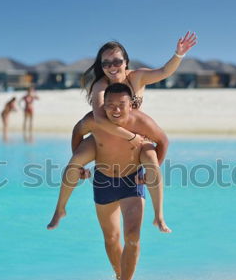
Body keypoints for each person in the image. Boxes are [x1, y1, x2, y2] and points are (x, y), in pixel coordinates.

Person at [49, 31, 197, 227]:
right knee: (75, 161)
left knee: (152, 160)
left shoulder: (137, 78)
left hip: (135, 134)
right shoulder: (100, 87)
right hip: (107, 135)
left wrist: (179, 54)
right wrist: (130, 137)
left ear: (126, 61)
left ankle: (159, 216)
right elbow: (100, 122)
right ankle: (60, 209)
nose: (111, 67)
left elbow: (164, 72)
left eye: (117, 61)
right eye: (106, 64)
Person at [49, 83, 171, 280]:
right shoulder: (93, 121)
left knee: (132, 236)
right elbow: (77, 132)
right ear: (103, 105)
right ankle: (61, 209)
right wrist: (81, 168)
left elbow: (163, 140)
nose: (115, 110)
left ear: (131, 104)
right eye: (110, 105)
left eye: (121, 105)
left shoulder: (141, 122)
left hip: (131, 181)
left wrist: (151, 169)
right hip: (104, 181)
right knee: (112, 239)